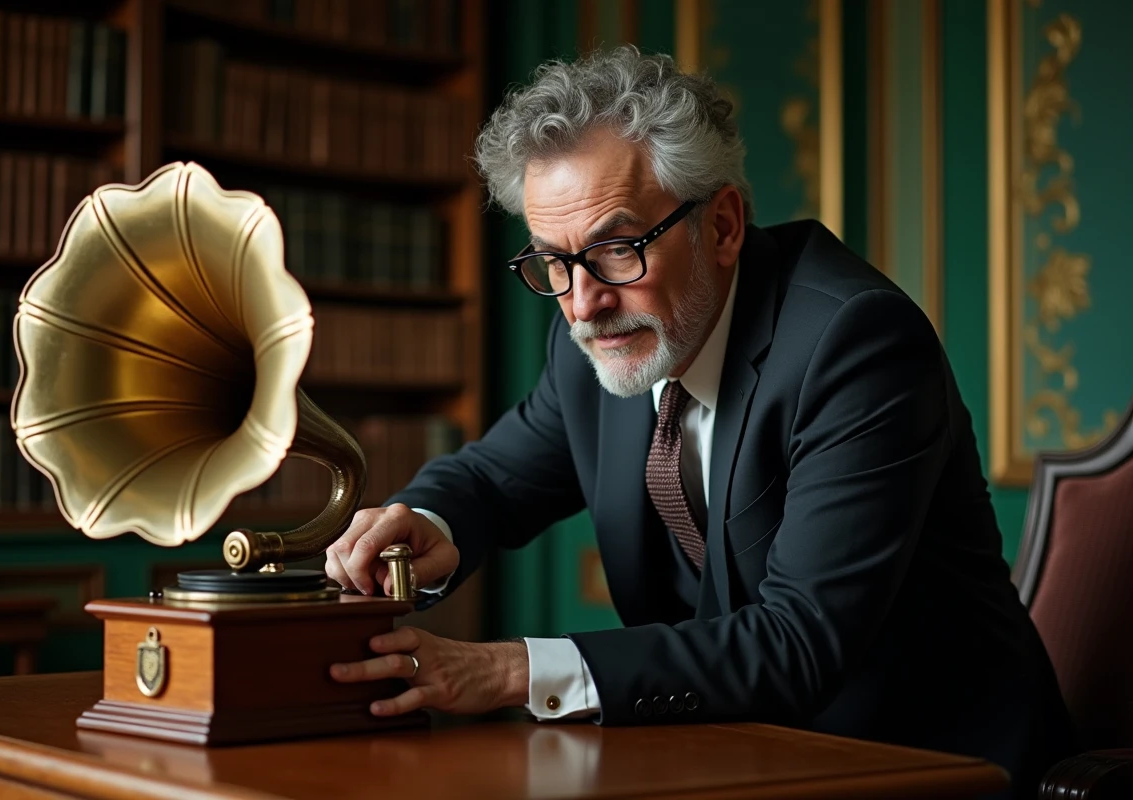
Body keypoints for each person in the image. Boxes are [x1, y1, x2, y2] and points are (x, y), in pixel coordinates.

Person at [324, 45, 1075, 798]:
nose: (583, 303)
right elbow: (492, 478)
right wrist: (425, 521)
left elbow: (798, 641)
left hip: (930, 766)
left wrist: (510, 670)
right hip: (735, 758)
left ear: (720, 226)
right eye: (554, 263)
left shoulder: (857, 342)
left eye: (617, 250)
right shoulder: (593, 336)